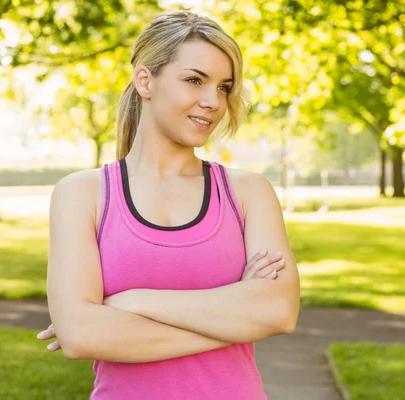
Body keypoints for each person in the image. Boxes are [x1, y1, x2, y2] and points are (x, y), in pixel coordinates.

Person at [36, 9, 300, 399]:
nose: (213, 101)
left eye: (224, 87)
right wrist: (233, 319)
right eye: (195, 80)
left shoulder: (248, 193)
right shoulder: (82, 194)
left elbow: (278, 312)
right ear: (145, 80)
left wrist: (133, 303)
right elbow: (80, 334)